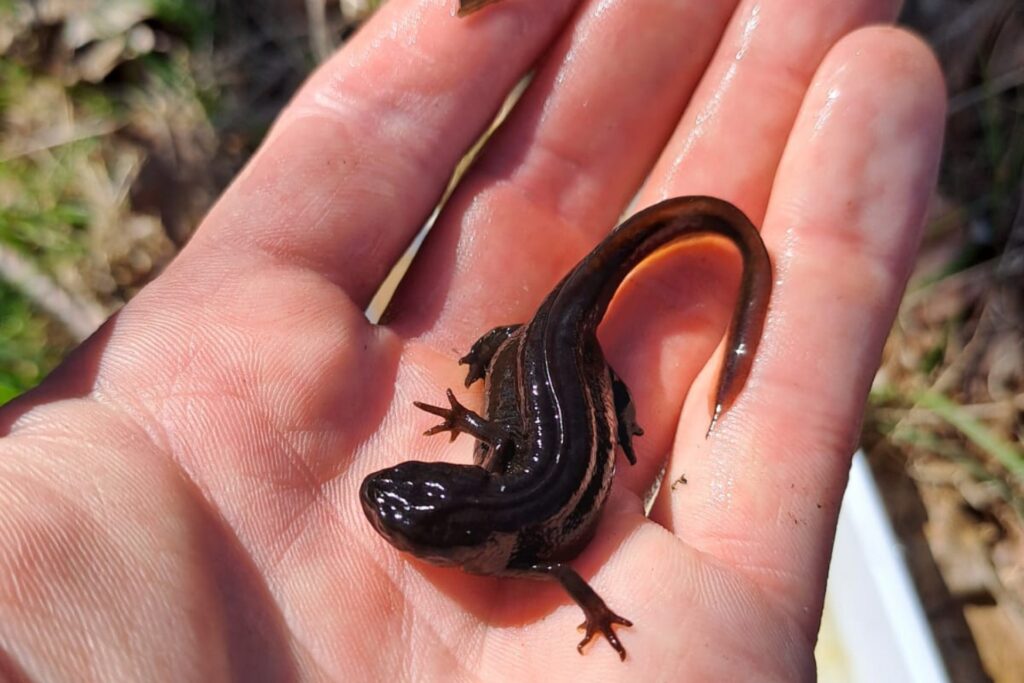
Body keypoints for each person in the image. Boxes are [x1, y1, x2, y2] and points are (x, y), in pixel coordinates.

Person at [0, 0, 945, 679]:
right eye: (411, 511)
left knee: (574, 361)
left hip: (554, 351)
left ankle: (711, 257)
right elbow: (549, 535)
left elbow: (564, 555)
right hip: (541, 355)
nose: (392, 502)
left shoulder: (518, 533)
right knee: (551, 359)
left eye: (409, 514)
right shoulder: (513, 524)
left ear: (468, 518)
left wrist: (604, 422)